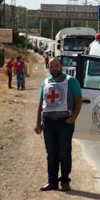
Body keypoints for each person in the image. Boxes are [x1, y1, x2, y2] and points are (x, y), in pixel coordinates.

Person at [34, 57, 82, 191]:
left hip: (64, 122)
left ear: (61, 66)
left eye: (56, 65)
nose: (54, 68)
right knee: (51, 153)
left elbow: (79, 101)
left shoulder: (71, 81)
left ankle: (65, 181)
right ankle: (52, 182)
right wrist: (38, 123)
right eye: (51, 66)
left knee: (65, 152)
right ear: (49, 68)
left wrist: (73, 117)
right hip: (48, 123)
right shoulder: (45, 82)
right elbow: (41, 104)